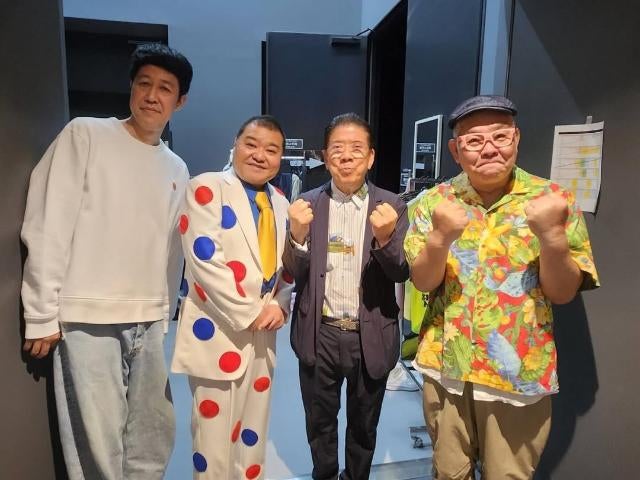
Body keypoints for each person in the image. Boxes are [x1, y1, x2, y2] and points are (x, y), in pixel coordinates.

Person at [404, 95, 600, 479]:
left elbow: (562, 293)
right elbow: (423, 281)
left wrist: (552, 237)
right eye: (474, 141)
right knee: (448, 473)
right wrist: (440, 237)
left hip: (517, 376)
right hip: (447, 369)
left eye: (500, 136)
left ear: (517, 138)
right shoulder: (436, 202)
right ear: (455, 151)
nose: (490, 148)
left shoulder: (552, 200)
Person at [21, 43, 193, 479]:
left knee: (152, 438)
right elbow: (48, 220)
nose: (152, 95)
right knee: (97, 445)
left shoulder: (177, 167)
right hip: (88, 317)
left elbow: (172, 251)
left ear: (180, 101)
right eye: (144, 83)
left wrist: (165, 314)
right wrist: (40, 312)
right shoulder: (86, 134)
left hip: (149, 320)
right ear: (131, 88)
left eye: (165, 88)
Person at [283, 113, 410, 480]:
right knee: (319, 423)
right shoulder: (307, 204)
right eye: (337, 148)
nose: (347, 156)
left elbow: (402, 271)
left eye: (357, 148)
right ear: (326, 158)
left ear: (370, 157)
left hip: (370, 334)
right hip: (318, 332)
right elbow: (294, 273)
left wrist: (386, 239)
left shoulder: (392, 206)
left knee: (364, 426)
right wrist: (297, 235)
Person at [171, 115, 293, 479]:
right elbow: (205, 262)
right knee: (213, 444)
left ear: (280, 158)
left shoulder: (281, 201)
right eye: (251, 144)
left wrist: (280, 303)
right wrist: (251, 312)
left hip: (263, 336)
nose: (260, 155)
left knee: (252, 436)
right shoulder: (205, 187)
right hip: (218, 333)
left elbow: (287, 263)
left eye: (271, 150)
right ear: (235, 145)